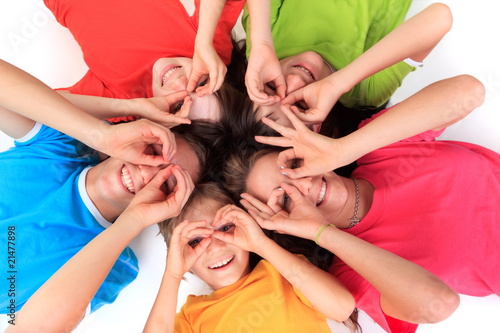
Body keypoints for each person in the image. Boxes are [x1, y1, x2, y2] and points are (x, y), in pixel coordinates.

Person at [222, 75, 500, 332]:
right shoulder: (352, 270)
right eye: (285, 197)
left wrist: (341, 150)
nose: (305, 185)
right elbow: (438, 304)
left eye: (295, 166)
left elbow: (469, 92)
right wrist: (320, 232)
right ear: (283, 224)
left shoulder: (375, 148)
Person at [0, 60, 210, 316]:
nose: (146, 172)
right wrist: (109, 126)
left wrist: (134, 220)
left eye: (166, 183)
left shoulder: (116, 267)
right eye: (154, 152)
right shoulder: (58, 147)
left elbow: (33, 325)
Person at [145, 182, 359, 332]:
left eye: (226, 227)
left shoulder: (282, 272)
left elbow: (341, 308)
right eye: (195, 241)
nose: (215, 247)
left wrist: (261, 245)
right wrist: (172, 274)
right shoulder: (193, 318)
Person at [243, 2, 452, 131]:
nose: (295, 80)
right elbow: (440, 18)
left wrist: (261, 42)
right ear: (317, 123)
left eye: (272, 86)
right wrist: (338, 83)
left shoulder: (262, 50)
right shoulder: (364, 91)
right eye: (301, 104)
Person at [43, 0, 246, 121]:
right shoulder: (211, 52)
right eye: (201, 83)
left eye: (178, 105)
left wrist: (132, 108)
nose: (181, 83)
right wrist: (204, 40)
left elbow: (44, 102)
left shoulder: (125, 100)